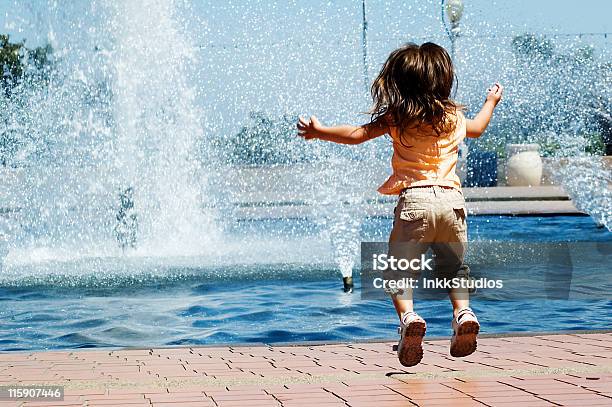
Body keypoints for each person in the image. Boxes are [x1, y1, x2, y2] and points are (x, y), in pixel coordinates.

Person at [297, 42, 503, 367]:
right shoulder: (453, 115)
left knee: (398, 273)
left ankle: (408, 319)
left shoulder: (399, 116)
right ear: (443, 78)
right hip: (452, 202)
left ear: (402, 82)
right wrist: (490, 101)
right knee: (454, 269)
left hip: (416, 201)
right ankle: (463, 313)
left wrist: (320, 131)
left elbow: (356, 134)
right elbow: (477, 128)